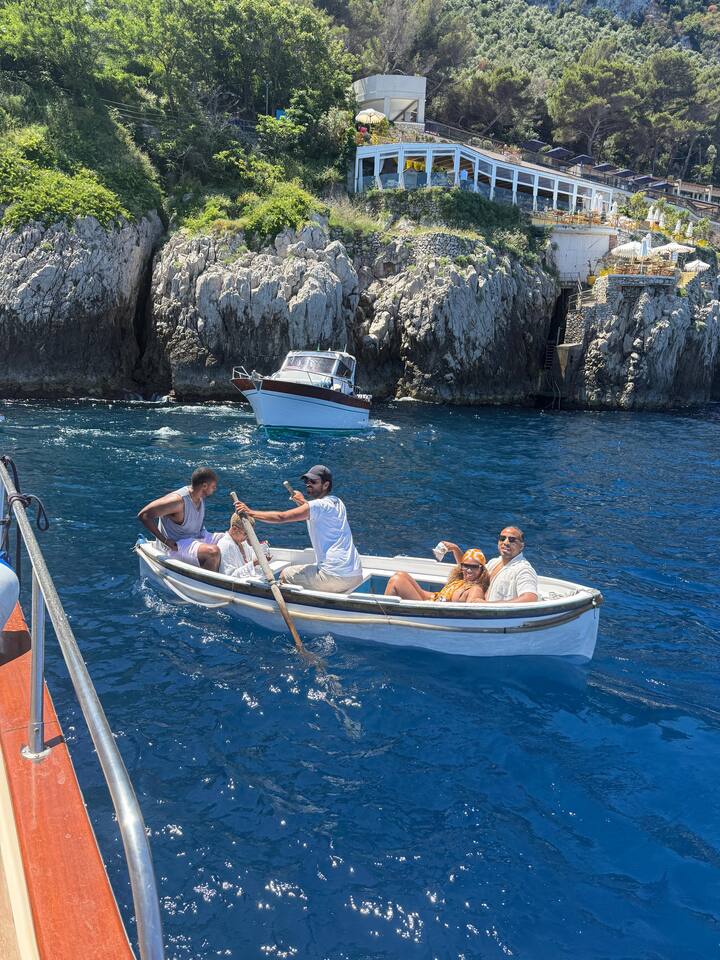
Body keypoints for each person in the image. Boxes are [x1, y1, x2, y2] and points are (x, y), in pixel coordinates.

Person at [233, 465, 363, 593]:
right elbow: (314, 512)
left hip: (335, 577)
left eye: (313, 482)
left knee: (285, 574)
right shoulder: (337, 502)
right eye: (307, 481)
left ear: (326, 485)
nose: (308, 484)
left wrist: (250, 512)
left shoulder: (317, 506)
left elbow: (282, 517)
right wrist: (302, 501)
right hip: (356, 575)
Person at [137, 467, 221, 571]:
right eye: (213, 486)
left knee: (230, 539)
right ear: (204, 486)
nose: (215, 489)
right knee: (213, 552)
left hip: (194, 539)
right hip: (176, 547)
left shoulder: (199, 497)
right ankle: (207, 580)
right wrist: (165, 541)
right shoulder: (177, 502)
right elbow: (144, 515)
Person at [384, 546, 489, 602]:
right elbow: (462, 562)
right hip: (433, 598)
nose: (469, 570)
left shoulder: (475, 589)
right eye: (466, 566)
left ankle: (384, 615)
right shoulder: (462, 579)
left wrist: (499, 604)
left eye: (474, 567)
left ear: (482, 569)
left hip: (432, 610)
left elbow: (474, 607)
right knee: (401, 575)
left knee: (396, 581)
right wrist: (455, 548)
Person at [485, 526, 538, 603]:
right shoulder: (493, 562)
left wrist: (494, 606)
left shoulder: (523, 569)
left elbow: (530, 598)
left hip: (496, 610)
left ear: (521, 546)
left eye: (512, 540)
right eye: (502, 538)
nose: (505, 542)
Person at [216, 513, 270, 579]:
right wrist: (254, 563)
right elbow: (230, 576)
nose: (248, 537)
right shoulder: (226, 545)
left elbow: (250, 559)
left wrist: (262, 555)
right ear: (234, 529)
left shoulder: (243, 543)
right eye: (245, 533)